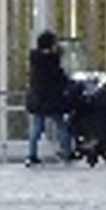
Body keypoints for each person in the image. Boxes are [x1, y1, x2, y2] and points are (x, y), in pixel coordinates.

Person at [23, 30, 75, 165]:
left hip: (37, 98)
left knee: (37, 127)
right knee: (61, 125)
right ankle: (67, 151)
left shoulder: (34, 59)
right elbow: (59, 77)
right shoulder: (51, 60)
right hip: (52, 99)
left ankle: (31, 154)